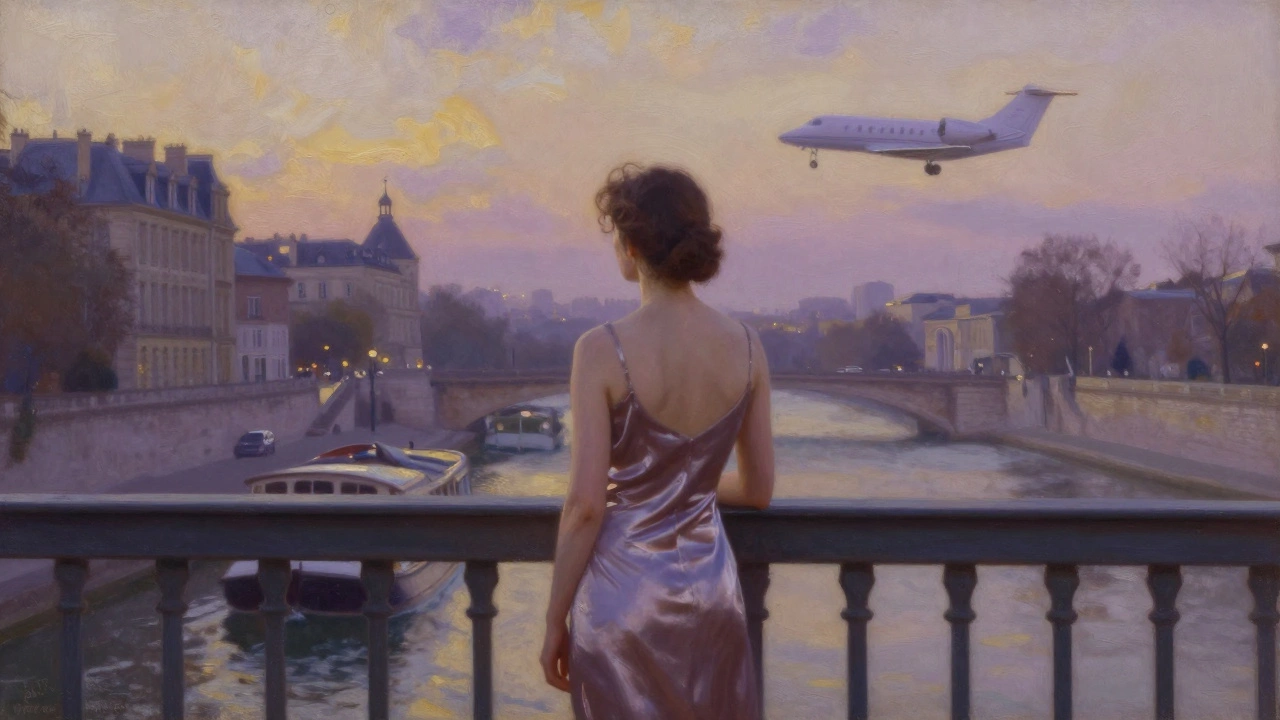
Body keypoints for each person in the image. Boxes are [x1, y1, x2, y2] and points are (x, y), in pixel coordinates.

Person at [540, 163, 776, 719]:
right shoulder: (747, 346)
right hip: (714, 594)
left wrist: (555, 619)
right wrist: (683, 486)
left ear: (629, 246)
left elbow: (585, 505)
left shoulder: (600, 350)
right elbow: (760, 489)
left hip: (625, 597)